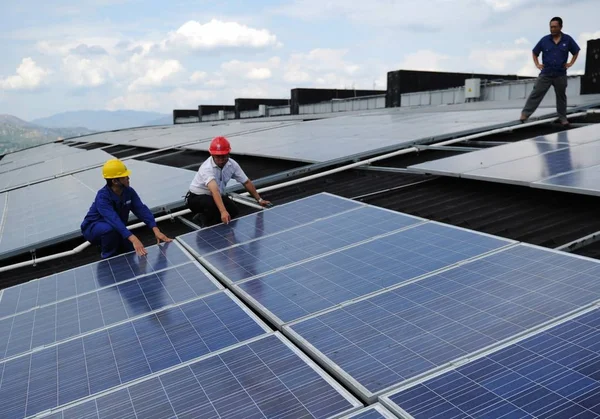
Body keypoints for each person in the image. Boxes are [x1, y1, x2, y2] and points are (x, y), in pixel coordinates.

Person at [81, 158, 172, 258]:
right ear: (115, 181)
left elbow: (141, 209)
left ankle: (114, 243)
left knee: (131, 250)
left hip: (115, 228)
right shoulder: (102, 197)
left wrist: (156, 230)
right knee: (110, 231)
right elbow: (113, 219)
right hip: (93, 229)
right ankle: (107, 257)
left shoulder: (129, 191)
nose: (128, 178)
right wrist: (133, 238)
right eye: (124, 177)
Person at [186, 136, 271, 227]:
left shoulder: (232, 165)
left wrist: (259, 199)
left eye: (224, 156)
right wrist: (223, 212)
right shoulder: (207, 168)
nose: (221, 160)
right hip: (196, 199)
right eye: (218, 156)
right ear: (212, 155)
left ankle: (219, 227)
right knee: (212, 206)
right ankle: (203, 219)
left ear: (228, 154)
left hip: (213, 196)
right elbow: (214, 191)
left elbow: (246, 182)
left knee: (233, 210)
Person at [520, 17, 580, 126]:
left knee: (561, 96)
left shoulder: (567, 40)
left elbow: (576, 51)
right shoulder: (544, 40)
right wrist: (537, 64)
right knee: (536, 93)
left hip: (560, 74)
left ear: (561, 27)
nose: (552, 29)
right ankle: (525, 114)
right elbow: (535, 52)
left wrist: (571, 63)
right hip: (546, 73)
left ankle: (562, 118)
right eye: (551, 27)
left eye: (555, 27)